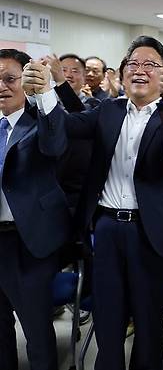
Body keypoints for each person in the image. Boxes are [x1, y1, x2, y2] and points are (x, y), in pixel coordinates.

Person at [24, 36, 163, 370]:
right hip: (106, 229)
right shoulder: (109, 110)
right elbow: (68, 126)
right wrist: (46, 92)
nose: (140, 71)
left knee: (147, 323)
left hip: (153, 234)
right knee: (108, 317)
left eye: (151, 65)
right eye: (133, 64)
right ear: (123, 71)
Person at [0, 48, 70, 370]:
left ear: (25, 81)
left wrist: (46, 92)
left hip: (28, 243)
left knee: (36, 331)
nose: (2, 86)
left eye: (9, 78)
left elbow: (55, 144)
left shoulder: (41, 121)